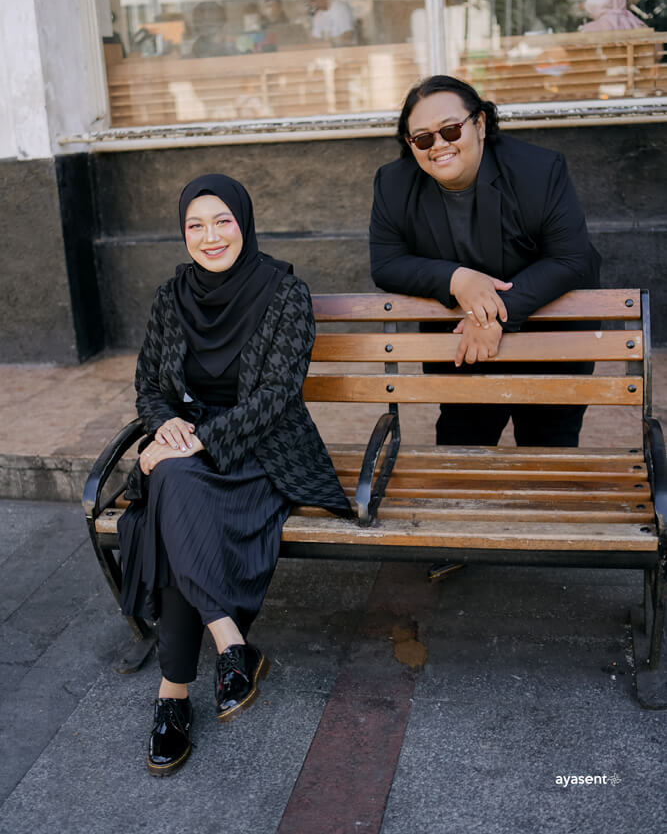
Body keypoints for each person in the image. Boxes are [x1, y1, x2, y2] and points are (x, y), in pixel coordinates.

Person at [118, 174, 352, 776]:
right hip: (191, 449)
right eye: (195, 225)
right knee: (174, 487)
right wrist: (167, 425)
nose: (210, 236)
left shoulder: (284, 293)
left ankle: (173, 695)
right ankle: (230, 644)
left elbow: (277, 394)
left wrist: (193, 441)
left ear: (243, 222)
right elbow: (148, 385)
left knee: (169, 495)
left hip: (263, 449)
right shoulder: (171, 297)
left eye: (222, 220)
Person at [369, 75, 601, 448]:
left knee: (548, 453)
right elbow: (387, 264)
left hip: (550, 336)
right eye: (423, 139)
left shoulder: (538, 170)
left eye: (450, 130)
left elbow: (571, 258)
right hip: (464, 347)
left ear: (479, 123)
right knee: (461, 448)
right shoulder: (394, 184)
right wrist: (456, 278)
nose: (439, 145)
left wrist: (490, 315)